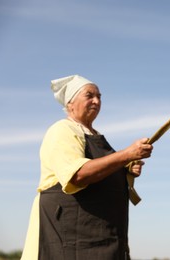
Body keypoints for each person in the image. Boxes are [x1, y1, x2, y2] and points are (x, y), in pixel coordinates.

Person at [21, 75, 153, 260]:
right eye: (89, 95)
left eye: (99, 96)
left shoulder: (96, 135)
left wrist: (126, 169)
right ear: (70, 103)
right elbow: (77, 175)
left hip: (105, 237)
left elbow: (102, 169)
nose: (97, 101)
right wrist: (126, 155)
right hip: (72, 237)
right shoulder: (62, 130)